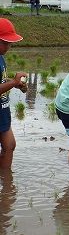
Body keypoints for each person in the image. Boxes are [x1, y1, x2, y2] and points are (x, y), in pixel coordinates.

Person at [0, 19, 27, 169]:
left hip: (2, 111)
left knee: (10, 145)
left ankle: (7, 185)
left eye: (10, 43)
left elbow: (2, 80)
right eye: (5, 43)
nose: (8, 47)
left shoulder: (1, 57)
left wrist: (15, 83)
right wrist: (13, 82)